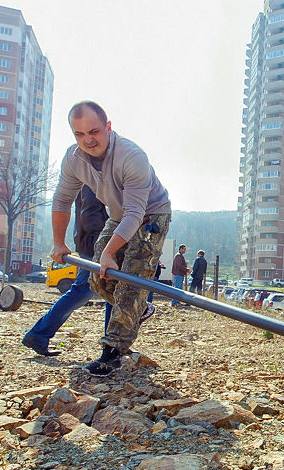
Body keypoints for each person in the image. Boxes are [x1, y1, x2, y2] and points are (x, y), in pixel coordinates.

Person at [50, 101, 172, 376]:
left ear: (108, 127)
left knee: (130, 279)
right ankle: (138, 310)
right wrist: (59, 243)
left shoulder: (131, 156)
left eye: (93, 131)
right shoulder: (73, 159)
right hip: (118, 215)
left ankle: (112, 353)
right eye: (79, 134)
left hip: (151, 215)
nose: (88, 140)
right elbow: (62, 200)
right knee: (98, 277)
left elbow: (135, 213)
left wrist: (110, 252)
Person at [22, 186, 111, 356]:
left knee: (102, 292)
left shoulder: (98, 173)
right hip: (96, 244)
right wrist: (104, 244)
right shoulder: (94, 175)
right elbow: (90, 214)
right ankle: (113, 345)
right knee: (85, 291)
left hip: (94, 242)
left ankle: (114, 344)